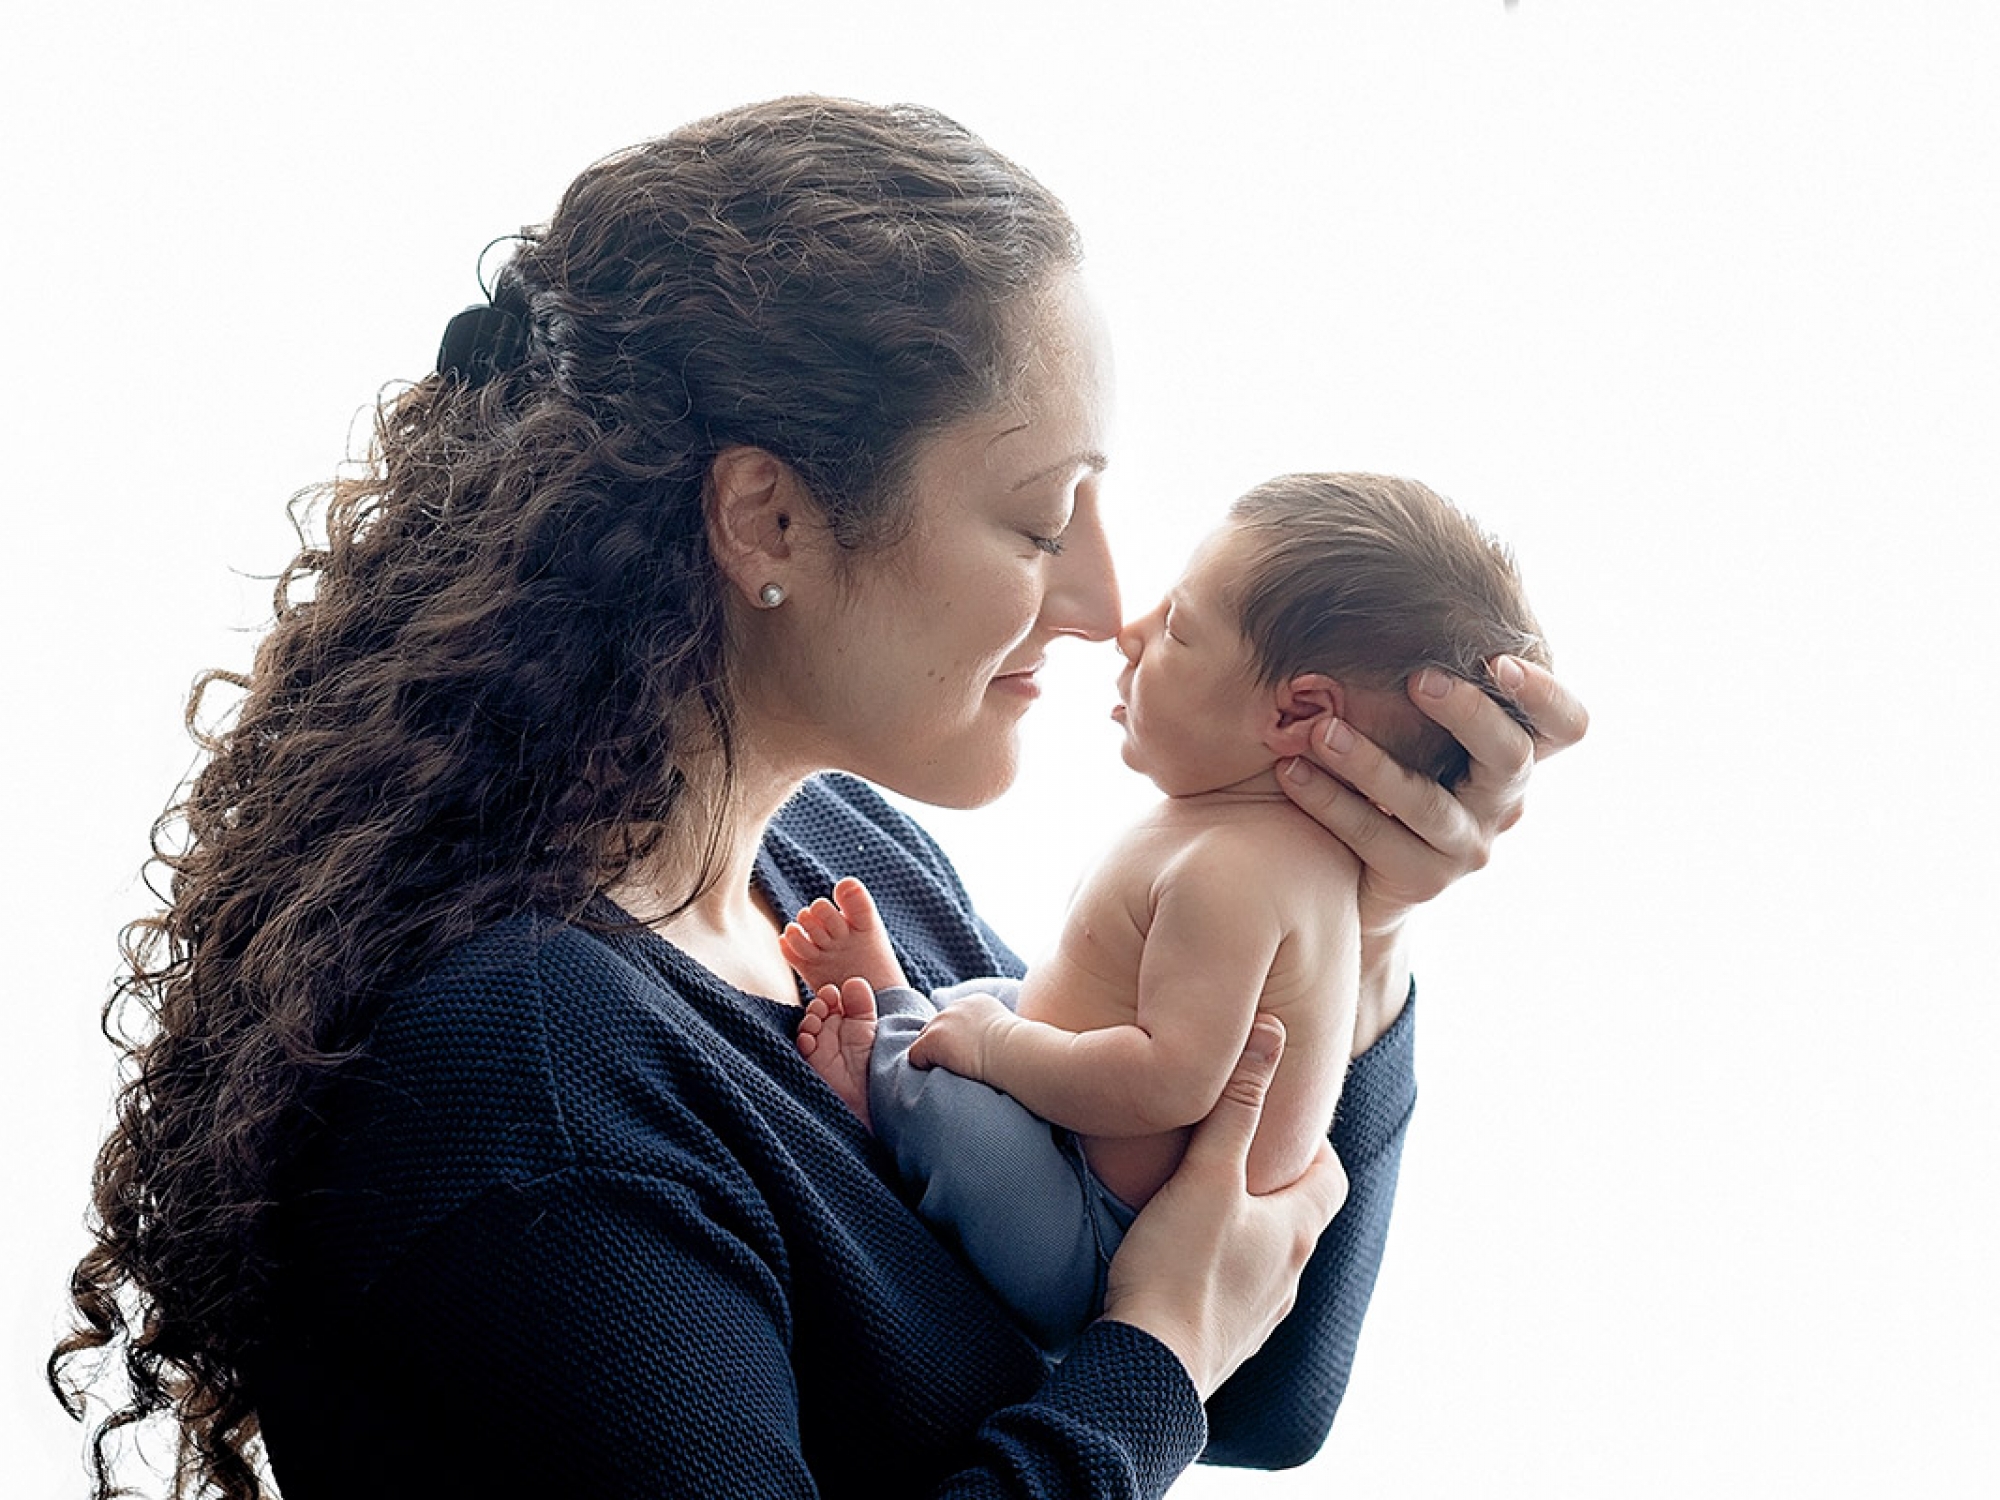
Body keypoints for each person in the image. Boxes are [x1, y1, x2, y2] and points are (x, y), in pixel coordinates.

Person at [47, 98, 1587, 1500]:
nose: (1111, 601)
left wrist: (1353, 926)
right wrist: (1155, 1364)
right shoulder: (532, 1092)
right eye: (1045, 520)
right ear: (768, 517)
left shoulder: (841, 866)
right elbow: (1178, 1346)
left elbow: (1264, 1382)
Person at [780, 472, 1552, 1351]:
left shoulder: (1238, 872)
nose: (1130, 628)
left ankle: (889, 1071)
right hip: (1089, 1147)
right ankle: (907, 1011)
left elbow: (1166, 1080)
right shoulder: (1243, 838)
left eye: (1180, 627)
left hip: (1094, 1234)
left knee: (980, 1134)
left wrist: (998, 1047)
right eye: (1037, 523)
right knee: (1005, 996)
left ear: (1299, 712)